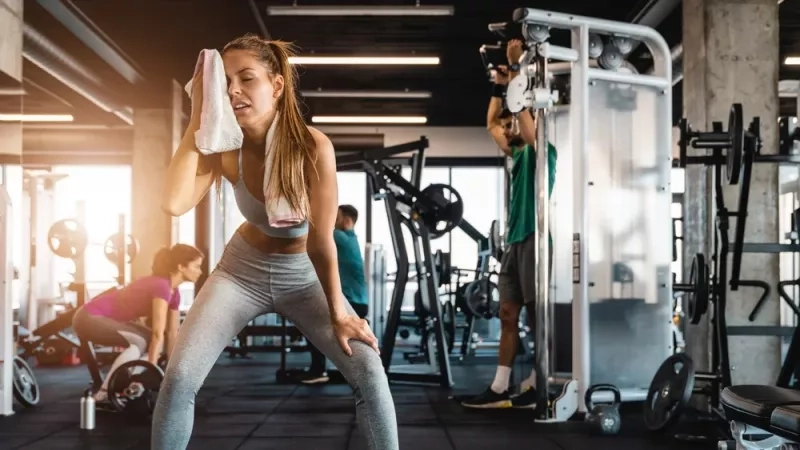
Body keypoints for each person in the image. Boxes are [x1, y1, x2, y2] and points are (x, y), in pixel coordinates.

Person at [153, 35, 397, 450]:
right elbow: (174, 202)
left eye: (246, 79)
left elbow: (321, 240)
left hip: (304, 276)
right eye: (225, 83)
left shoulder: (312, 147)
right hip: (240, 272)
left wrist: (339, 310)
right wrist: (199, 115)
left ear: (277, 85)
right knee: (178, 379)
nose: (233, 90)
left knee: (370, 372)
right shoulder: (226, 148)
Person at [461, 39, 557, 410]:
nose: (510, 123)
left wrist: (517, 69)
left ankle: (538, 383)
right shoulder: (516, 153)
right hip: (514, 243)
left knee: (535, 317)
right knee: (507, 314)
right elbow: (491, 124)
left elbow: (524, 121)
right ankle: (500, 387)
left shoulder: (541, 150)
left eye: (516, 118)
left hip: (535, 238)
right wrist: (499, 86)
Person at [72, 243, 203, 402]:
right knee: (141, 340)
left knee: (148, 341)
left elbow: (172, 334)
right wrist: (152, 370)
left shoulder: (174, 294)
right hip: (88, 317)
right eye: (196, 266)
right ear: (181, 267)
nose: (200, 271)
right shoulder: (161, 286)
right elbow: (157, 333)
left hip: (105, 319)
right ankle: (105, 393)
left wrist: (171, 369)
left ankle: (130, 382)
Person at [299, 204, 369, 384]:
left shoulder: (340, 238)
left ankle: (319, 370)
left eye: (335, 217)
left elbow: (315, 231)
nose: (332, 221)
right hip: (357, 300)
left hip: (352, 301)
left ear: (346, 221)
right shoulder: (349, 239)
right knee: (318, 328)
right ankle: (349, 374)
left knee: (314, 328)